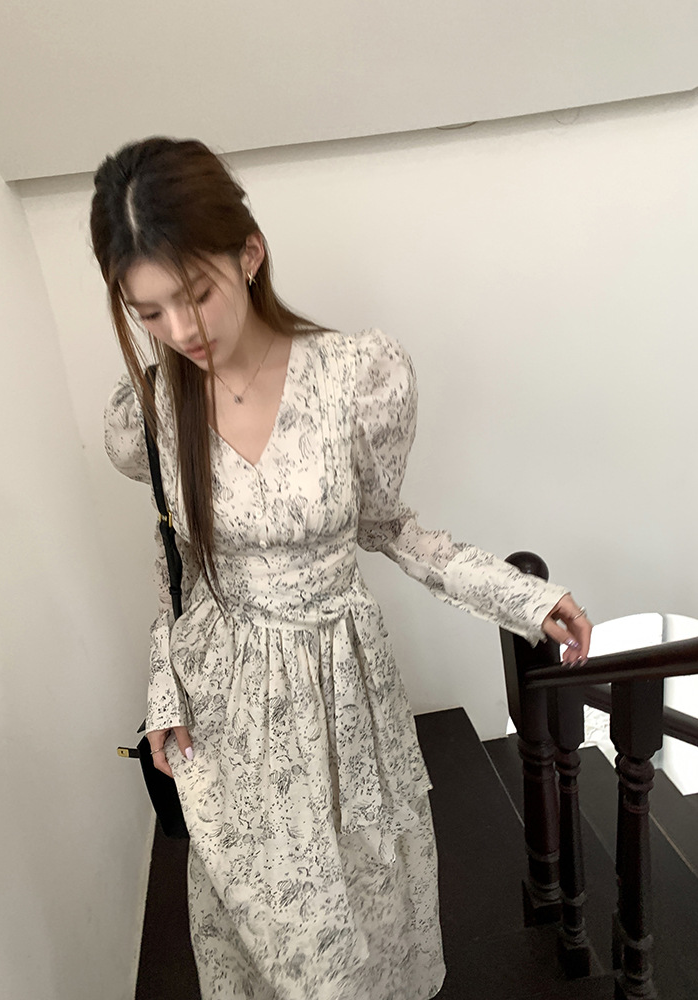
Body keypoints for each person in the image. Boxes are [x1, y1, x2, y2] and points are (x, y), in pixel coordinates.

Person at [94, 137, 592, 1000]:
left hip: (346, 691)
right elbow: (176, 561)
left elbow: (390, 527)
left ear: (250, 253)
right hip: (232, 707)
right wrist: (163, 696)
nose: (180, 332)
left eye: (196, 294)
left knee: (364, 908)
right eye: (150, 313)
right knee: (275, 937)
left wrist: (520, 596)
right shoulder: (149, 407)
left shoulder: (358, 376)